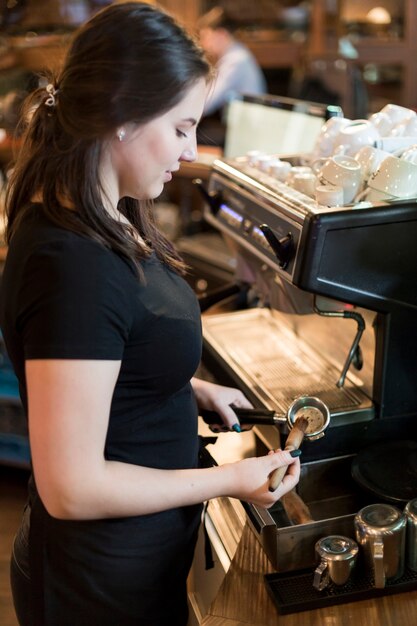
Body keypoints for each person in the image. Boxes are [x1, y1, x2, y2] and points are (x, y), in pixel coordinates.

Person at [0, 3, 300, 626]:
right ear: (120, 115)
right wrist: (232, 478)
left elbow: (104, 352)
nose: (190, 151)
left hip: (136, 559)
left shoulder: (103, 209)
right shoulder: (71, 263)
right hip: (97, 584)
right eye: (183, 126)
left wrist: (178, 386)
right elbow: (72, 488)